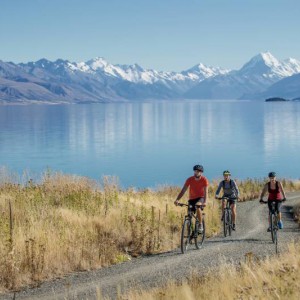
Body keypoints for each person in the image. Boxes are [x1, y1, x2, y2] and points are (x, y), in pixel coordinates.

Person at [174, 164, 209, 232]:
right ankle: (190, 233)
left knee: (198, 206)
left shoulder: (204, 180)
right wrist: (177, 199)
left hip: (200, 198)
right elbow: (183, 190)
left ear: (201, 172)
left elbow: (206, 192)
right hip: (191, 199)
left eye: (198, 171)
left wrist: (205, 202)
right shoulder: (189, 179)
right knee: (189, 215)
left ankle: (200, 224)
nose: (196, 172)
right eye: (195, 171)